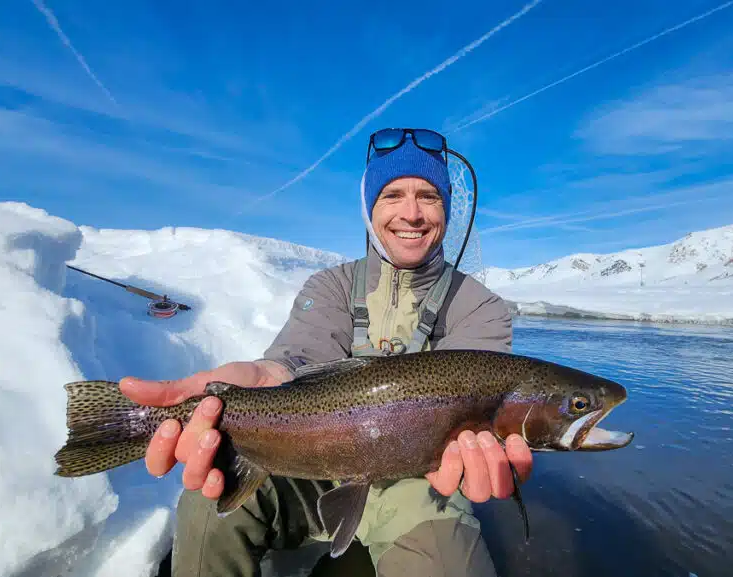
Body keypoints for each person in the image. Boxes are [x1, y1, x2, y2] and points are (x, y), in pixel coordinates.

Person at [120, 127, 533, 576]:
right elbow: (297, 359)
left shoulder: (481, 307)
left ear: (447, 210)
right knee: (206, 503)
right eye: (393, 195)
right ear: (370, 209)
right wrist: (267, 374)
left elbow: (480, 389)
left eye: (429, 197)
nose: (411, 213)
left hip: (421, 485)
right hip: (306, 459)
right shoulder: (331, 286)